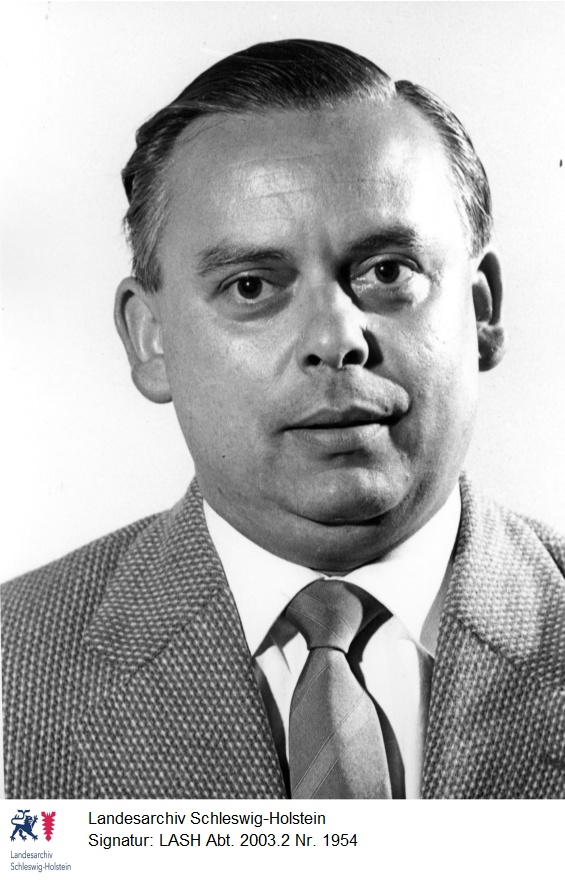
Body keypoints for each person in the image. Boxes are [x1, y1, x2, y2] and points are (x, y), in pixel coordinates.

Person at [2, 39, 564, 800]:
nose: (335, 338)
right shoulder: (15, 665)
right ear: (150, 338)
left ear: (482, 308)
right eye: (251, 286)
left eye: (388, 271)